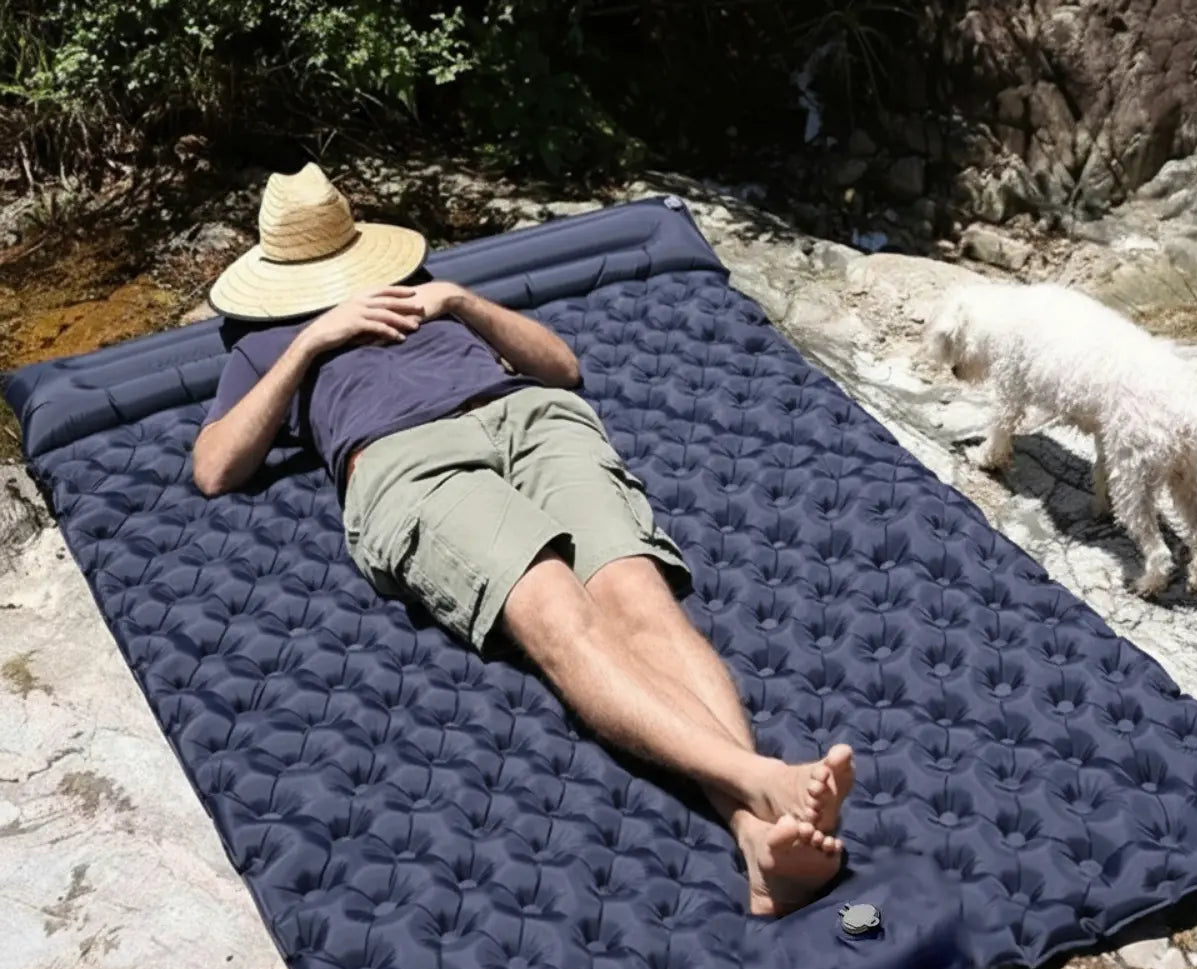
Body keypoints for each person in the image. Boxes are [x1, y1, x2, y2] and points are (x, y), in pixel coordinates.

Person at [195, 163, 855, 916]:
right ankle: (761, 781)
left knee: (635, 590)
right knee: (555, 607)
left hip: (530, 419)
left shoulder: (420, 283)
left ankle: (755, 833)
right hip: (408, 457)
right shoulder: (261, 341)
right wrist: (311, 343)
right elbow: (214, 468)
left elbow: (561, 367)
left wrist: (461, 301)